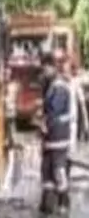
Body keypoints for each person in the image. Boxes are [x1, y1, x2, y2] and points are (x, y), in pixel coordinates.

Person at [40, 50, 74, 214]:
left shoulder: (59, 87)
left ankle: (64, 202)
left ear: (53, 67)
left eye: (46, 68)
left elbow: (54, 111)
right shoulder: (51, 86)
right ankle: (48, 203)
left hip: (58, 138)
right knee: (47, 170)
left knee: (59, 171)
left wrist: (44, 123)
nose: (44, 72)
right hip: (50, 139)